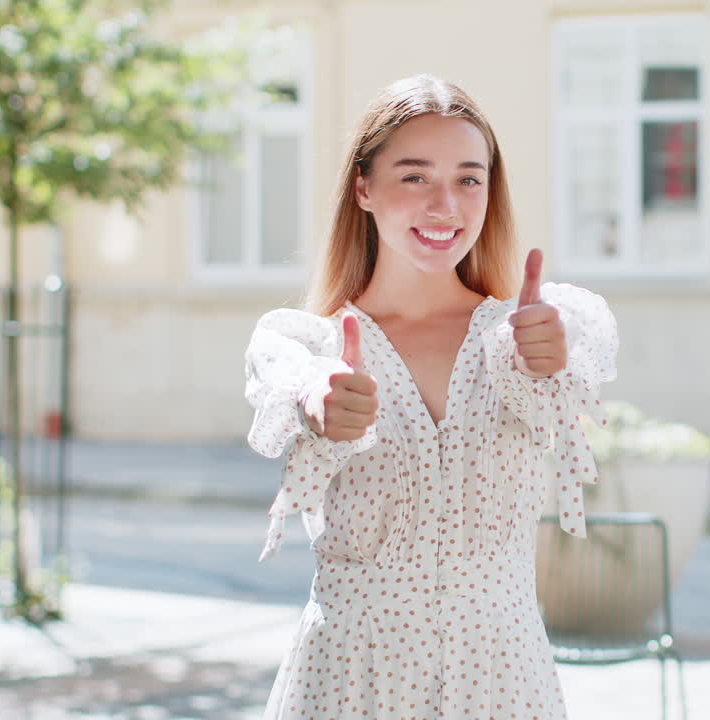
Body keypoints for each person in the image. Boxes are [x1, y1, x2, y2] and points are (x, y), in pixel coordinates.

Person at [243, 74, 618, 720]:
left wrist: (548, 360)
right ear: (363, 186)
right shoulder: (310, 349)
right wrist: (320, 402)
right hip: (353, 687)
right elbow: (297, 386)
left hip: (503, 684)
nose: (446, 205)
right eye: (414, 176)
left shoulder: (526, 339)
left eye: (469, 179)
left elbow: (560, 387)